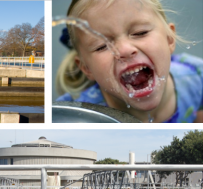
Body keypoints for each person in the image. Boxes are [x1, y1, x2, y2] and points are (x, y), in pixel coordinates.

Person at [55, 0, 203, 123]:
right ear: (86, 68)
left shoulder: (198, 77)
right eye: (102, 46)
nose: (124, 50)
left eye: (140, 33)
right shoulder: (76, 114)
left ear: (169, 39)